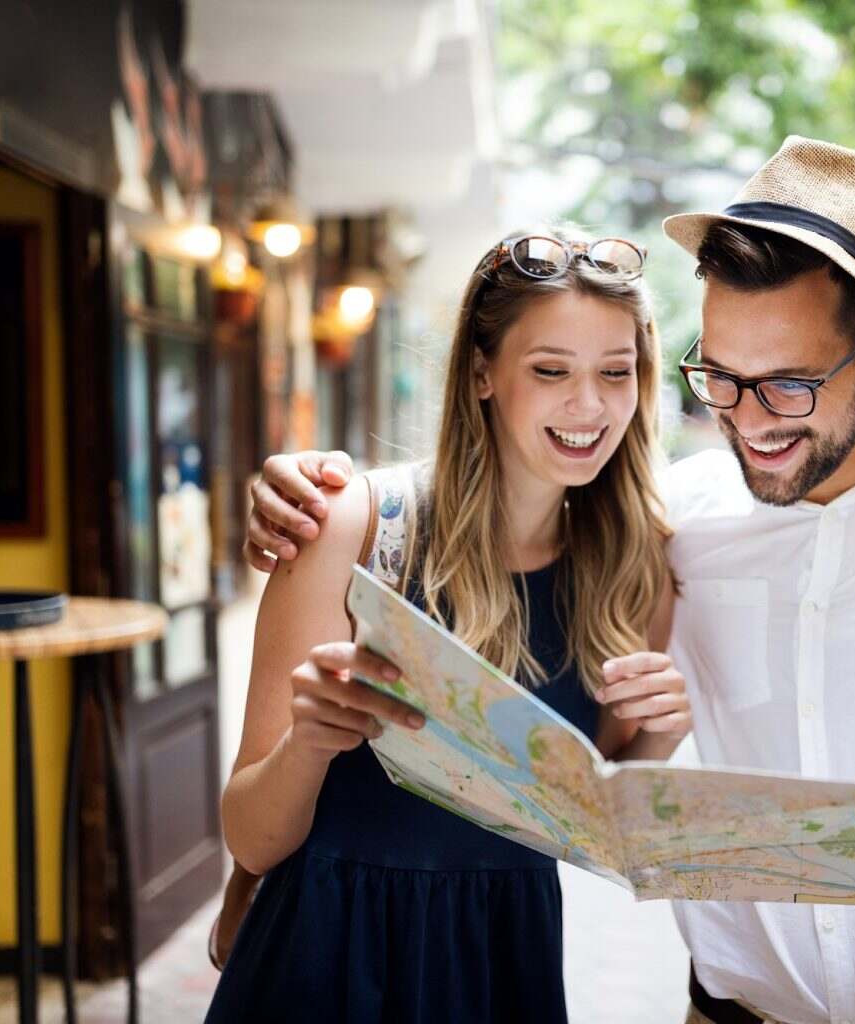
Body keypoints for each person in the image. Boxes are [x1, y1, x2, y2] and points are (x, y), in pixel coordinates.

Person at [244, 138, 855, 1024]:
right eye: (719, 379)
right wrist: (307, 485)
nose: (750, 421)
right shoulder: (669, 520)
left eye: (788, 385)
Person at [209, 229, 692, 1024]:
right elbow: (251, 840)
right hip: (329, 953)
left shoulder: (638, 562)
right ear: (480, 374)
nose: (590, 405)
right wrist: (310, 741)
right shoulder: (351, 526)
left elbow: (581, 804)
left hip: (505, 954)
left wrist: (660, 737)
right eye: (550, 371)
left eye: (617, 372)